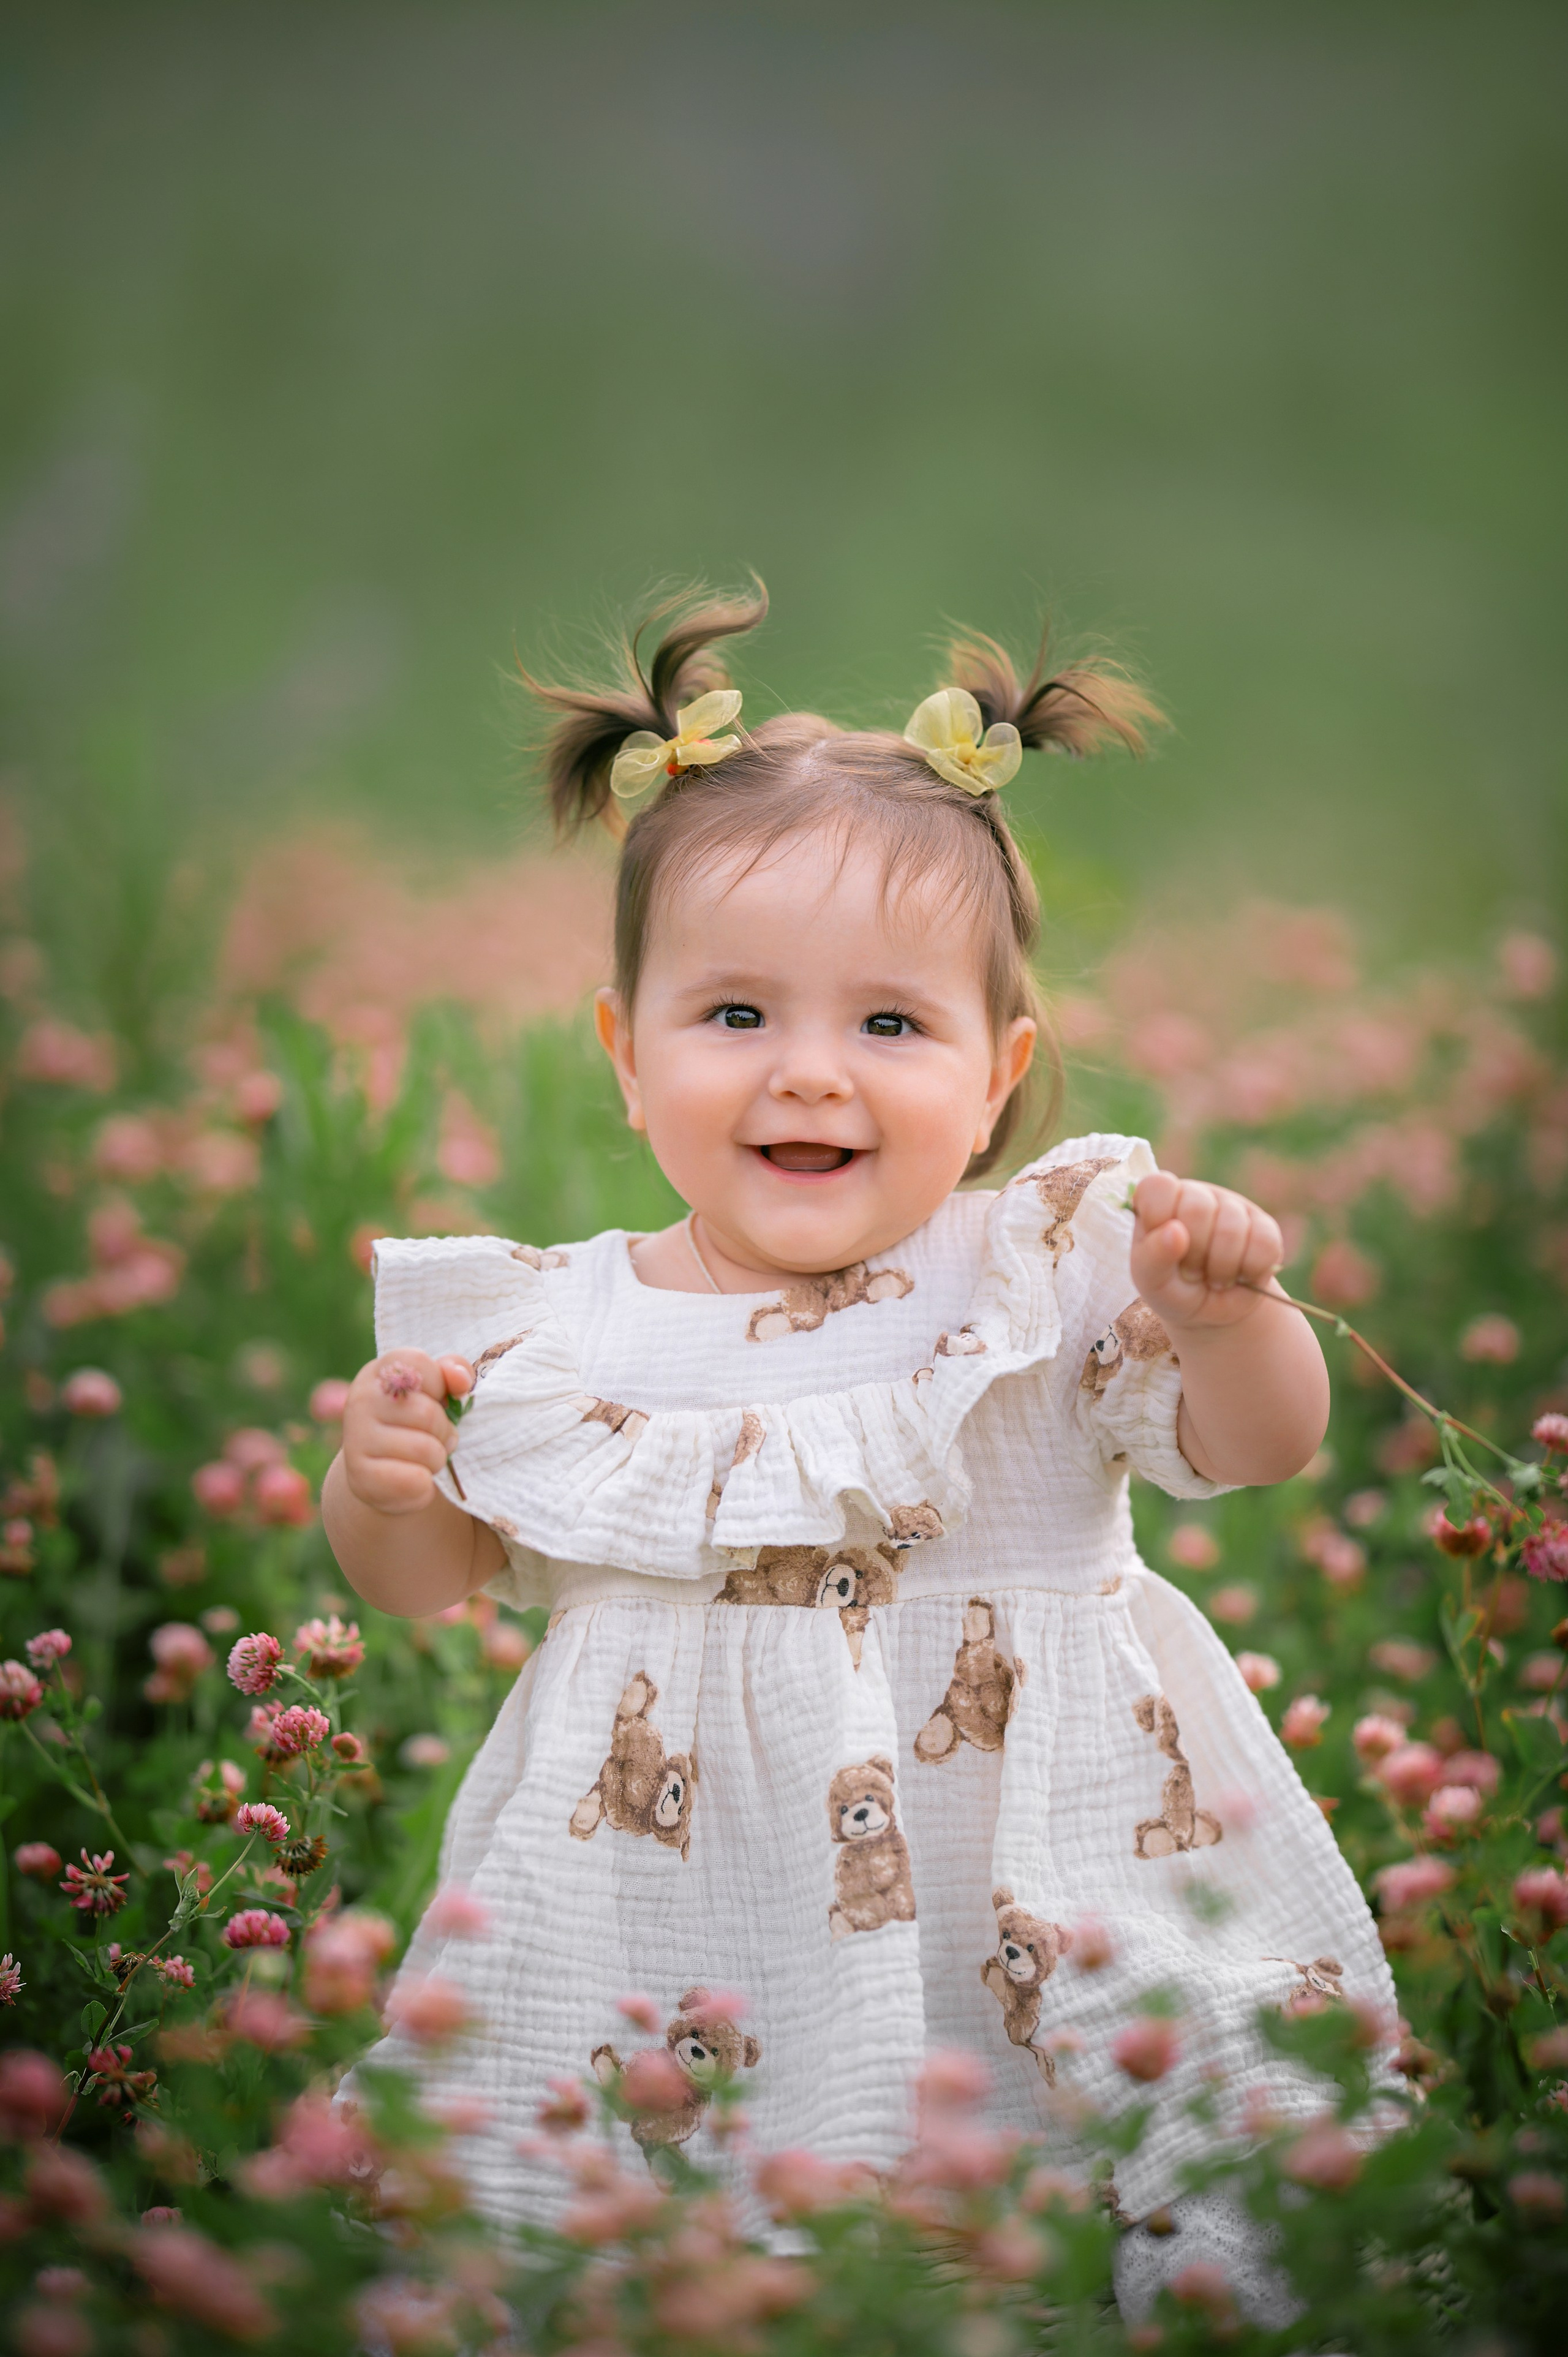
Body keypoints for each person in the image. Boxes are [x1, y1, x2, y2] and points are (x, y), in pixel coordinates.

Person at [323, 585, 1393, 2321]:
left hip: (1037, 1877)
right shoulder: (558, 1328)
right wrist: (378, 1493)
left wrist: (1225, 1319)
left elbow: (1253, 1449)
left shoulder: (1042, 1272)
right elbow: (439, 1583)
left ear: (997, 1077)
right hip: (666, 1919)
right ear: (626, 1055)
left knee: (1053, 2228)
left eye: (891, 1026)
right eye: (736, 1016)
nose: (811, 1074)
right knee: (620, 2229)